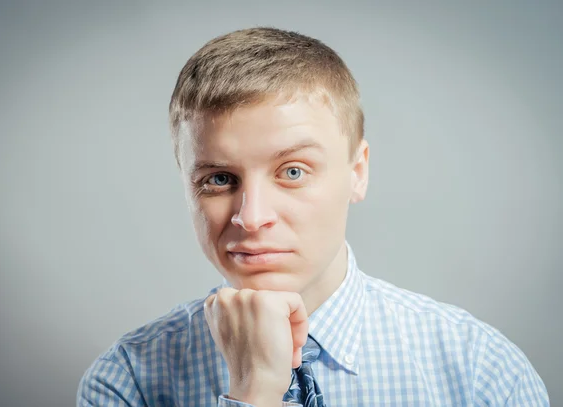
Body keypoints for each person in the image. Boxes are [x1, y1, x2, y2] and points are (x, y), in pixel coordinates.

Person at [77, 27, 550, 407]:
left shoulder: (481, 372)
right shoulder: (128, 382)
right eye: (220, 179)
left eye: (293, 171)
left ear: (357, 172)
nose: (252, 217)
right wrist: (256, 391)